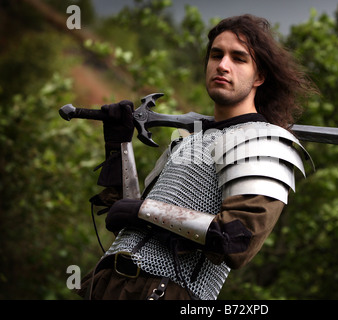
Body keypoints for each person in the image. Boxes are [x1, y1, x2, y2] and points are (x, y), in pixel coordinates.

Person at [77, 14, 317, 300]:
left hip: (166, 293)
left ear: (259, 76)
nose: (223, 65)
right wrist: (119, 146)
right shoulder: (186, 142)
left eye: (239, 58)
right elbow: (126, 212)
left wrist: (142, 211)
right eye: (216, 55)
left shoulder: (262, 141)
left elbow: (237, 240)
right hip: (108, 287)